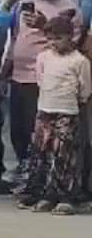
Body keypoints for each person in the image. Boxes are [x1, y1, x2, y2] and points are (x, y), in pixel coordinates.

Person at [4, 0, 77, 165]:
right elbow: (16, 37)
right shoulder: (27, 1)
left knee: (38, 131)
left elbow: (70, 44)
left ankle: (40, 177)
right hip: (17, 76)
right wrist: (4, 71)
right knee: (18, 131)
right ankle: (25, 173)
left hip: (44, 80)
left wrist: (46, 25)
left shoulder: (69, 6)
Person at [16, 16, 90, 214]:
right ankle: (46, 194)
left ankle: (66, 196)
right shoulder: (44, 57)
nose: (53, 43)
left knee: (64, 155)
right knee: (42, 152)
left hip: (67, 112)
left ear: (69, 37)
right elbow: (40, 79)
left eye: (58, 38)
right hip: (45, 110)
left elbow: (84, 89)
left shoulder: (79, 61)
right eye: (49, 39)